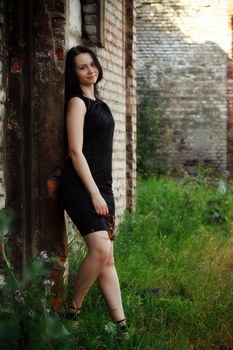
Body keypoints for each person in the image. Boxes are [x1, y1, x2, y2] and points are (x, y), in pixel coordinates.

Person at [59, 45, 127, 335]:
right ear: (74, 74)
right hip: (80, 185)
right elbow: (76, 152)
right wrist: (94, 194)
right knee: (99, 249)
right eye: (82, 67)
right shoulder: (77, 103)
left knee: (106, 256)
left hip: (103, 187)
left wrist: (104, 192)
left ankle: (121, 325)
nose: (90, 70)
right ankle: (70, 311)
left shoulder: (102, 104)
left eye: (92, 64)